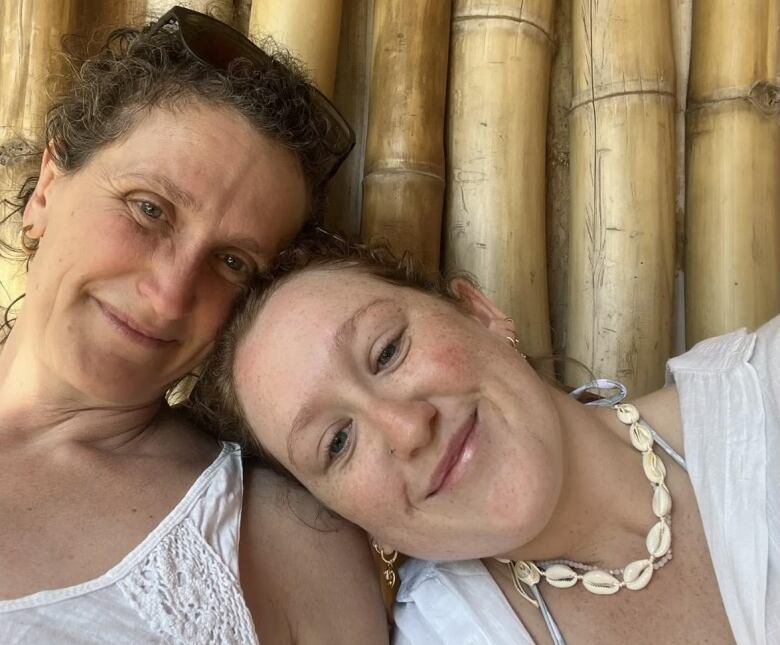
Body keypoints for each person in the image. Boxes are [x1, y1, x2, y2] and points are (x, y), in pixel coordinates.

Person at [0, 7, 386, 644]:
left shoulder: (286, 537)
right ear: (46, 190)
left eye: (232, 262)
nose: (169, 293)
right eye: (149, 209)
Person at [192, 233, 779, 645]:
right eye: (337, 442)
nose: (407, 427)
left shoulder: (765, 389)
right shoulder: (446, 632)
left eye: (388, 351)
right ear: (349, 516)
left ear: (480, 313)